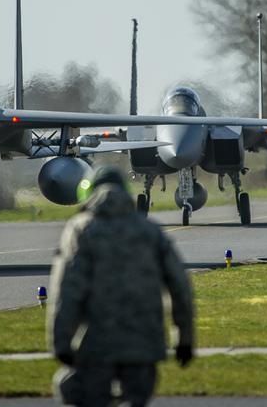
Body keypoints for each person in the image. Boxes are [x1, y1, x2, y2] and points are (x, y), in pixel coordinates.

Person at [47, 166, 194, 407]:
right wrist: (184, 340)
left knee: (75, 393)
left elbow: (67, 290)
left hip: (96, 346)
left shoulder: (81, 230)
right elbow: (180, 287)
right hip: (144, 346)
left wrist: (60, 342)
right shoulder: (150, 231)